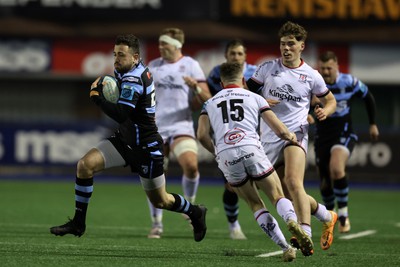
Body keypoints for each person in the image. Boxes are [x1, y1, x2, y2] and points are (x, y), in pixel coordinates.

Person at [49, 34, 207, 242]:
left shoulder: (135, 77)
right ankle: (78, 223)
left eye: (121, 55)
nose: (116, 59)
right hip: (125, 140)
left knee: (161, 200)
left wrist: (98, 98)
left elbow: (121, 113)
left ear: (135, 57)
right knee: (85, 165)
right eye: (114, 54)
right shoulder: (124, 70)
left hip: (146, 146)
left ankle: (195, 212)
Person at [197, 61, 312, 262]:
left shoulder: (209, 103)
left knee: (254, 203)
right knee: (277, 195)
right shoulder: (255, 97)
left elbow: (201, 135)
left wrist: (217, 152)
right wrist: (291, 137)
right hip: (251, 148)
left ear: (222, 83)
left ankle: (285, 247)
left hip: (226, 154)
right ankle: (293, 222)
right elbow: (279, 129)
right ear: (242, 80)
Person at [246, 21, 338, 255]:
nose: (286, 48)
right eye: (282, 44)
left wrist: (323, 112)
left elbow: (330, 101)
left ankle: (305, 233)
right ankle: (327, 215)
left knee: (293, 181)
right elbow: (247, 94)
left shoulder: (311, 75)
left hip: (295, 133)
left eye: (291, 44)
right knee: (284, 195)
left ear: (301, 46)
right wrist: (261, 102)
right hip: (268, 136)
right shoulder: (266, 68)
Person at [146, 28, 212, 239]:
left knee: (191, 166)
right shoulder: (153, 66)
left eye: (164, 43)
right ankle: (156, 224)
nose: (160, 47)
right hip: (155, 128)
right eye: (159, 43)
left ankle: (189, 205)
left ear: (176, 46)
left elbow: (206, 98)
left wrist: (196, 88)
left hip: (181, 126)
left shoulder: (191, 65)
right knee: (155, 177)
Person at [311, 50, 379, 233]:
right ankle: (331, 216)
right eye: (322, 68)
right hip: (322, 134)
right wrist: (308, 115)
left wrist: (372, 124)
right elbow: (303, 103)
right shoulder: (316, 82)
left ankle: (343, 215)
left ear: (337, 67)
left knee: (336, 167)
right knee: (325, 180)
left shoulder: (349, 82)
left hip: (344, 131)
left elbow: (368, 98)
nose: (325, 72)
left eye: (329, 68)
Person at [206, 39, 257, 240]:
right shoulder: (216, 75)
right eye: (232, 53)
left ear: (245, 56)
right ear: (226, 56)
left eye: (239, 54)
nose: (235, 57)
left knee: (265, 182)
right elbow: (210, 102)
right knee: (231, 184)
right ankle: (234, 225)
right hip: (226, 136)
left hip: (254, 135)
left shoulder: (256, 73)